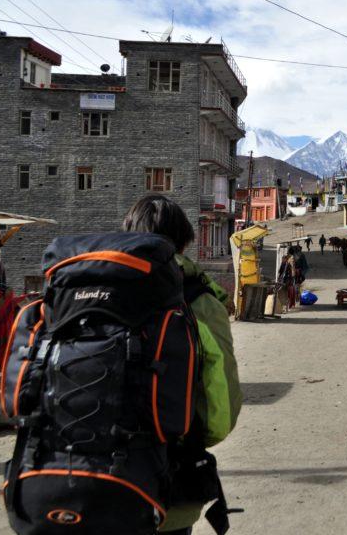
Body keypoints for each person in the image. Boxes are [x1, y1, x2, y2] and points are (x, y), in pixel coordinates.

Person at [122, 195, 241, 535]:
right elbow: (221, 410)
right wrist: (191, 442)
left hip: (76, 486)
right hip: (164, 483)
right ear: (184, 242)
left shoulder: (85, 285)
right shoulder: (195, 299)